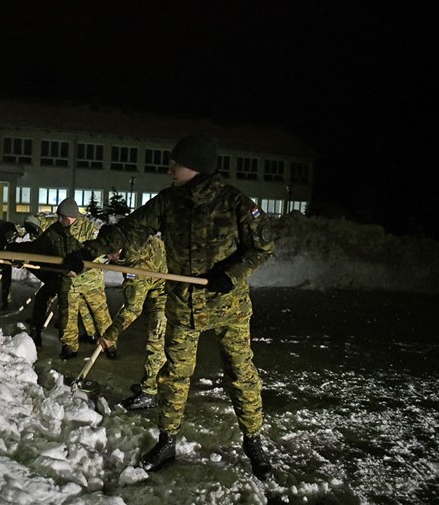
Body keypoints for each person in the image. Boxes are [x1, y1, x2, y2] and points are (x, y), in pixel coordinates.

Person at [63, 133, 276, 480]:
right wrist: (89, 252)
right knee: (174, 375)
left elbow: (262, 247)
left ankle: (253, 441)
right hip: (183, 305)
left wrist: (232, 274)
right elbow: (130, 230)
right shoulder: (168, 202)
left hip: (228, 307)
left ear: (194, 165)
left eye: (175, 163)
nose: (169, 169)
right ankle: (167, 440)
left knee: (240, 374)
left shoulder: (235, 202)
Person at [14, 198, 112, 359]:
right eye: (58, 216)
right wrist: (21, 257)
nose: (59, 220)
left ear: (72, 216)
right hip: (68, 282)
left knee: (101, 315)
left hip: (90, 281)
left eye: (62, 217)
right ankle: (69, 347)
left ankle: (110, 345)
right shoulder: (55, 230)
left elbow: (99, 255)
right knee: (68, 318)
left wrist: (80, 268)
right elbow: (37, 248)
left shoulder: (89, 230)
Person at [98, 235, 168, 413]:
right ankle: (152, 383)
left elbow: (131, 311)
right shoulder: (136, 238)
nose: (108, 258)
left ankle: (150, 393)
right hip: (160, 284)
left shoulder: (135, 270)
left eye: (110, 255)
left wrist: (109, 336)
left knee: (156, 342)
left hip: (167, 295)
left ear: (118, 251)